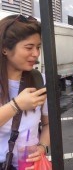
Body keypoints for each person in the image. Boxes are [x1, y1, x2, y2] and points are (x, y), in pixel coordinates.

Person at [0, 14, 49, 169]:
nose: (36, 54)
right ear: (5, 49)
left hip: (29, 165)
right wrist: (17, 105)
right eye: (29, 47)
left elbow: (48, 124)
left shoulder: (39, 80)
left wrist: (42, 147)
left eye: (38, 47)